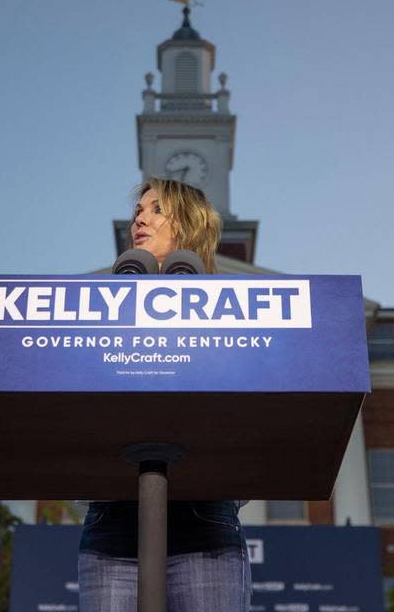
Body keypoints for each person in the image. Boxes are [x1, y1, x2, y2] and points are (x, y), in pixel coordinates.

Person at [78, 177, 251, 611]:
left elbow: (252, 417)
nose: (139, 217)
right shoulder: (90, 310)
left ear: (190, 224)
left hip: (204, 522)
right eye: (138, 210)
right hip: (112, 522)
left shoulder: (240, 311)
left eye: (156, 209)